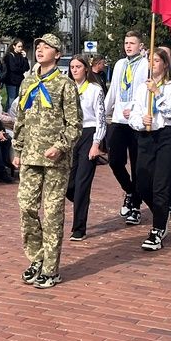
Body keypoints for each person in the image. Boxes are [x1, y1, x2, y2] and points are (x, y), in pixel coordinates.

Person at [14, 34, 80, 289]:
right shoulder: (28, 82)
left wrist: (60, 147)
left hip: (55, 160)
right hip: (31, 156)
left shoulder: (65, 85)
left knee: (52, 212)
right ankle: (36, 258)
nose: (40, 50)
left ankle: (51, 268)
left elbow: (75, 124)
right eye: (38, 47)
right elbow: (21, 118)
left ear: (57, 53)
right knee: (26, 207)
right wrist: (17, 149)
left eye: (46, 47)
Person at [128, 47, 171, 251]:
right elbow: (133, 115)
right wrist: (141, 122)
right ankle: (161, 211)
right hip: (146, 137)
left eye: (157, 60)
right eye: (150, 60)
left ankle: (158, 229)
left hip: (166, 137)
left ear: (165, 64)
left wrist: (157, 93)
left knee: (160, 185)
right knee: (142, 184)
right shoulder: (142, 88)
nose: (152, 64)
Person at [104, 31, 148, 225]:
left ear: (141, 46)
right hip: (119, 119)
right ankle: (129, 190)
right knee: (115, 160)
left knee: (138, 165)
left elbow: (146, 91)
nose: (128, 46)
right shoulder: (120, 64)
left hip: (135, 121)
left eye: (132, 43)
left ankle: (136, 206)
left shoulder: (146, 65)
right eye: (126, 43)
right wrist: (104, 111)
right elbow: (114, 90)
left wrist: (138, 109)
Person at [64, 54, 106, 242]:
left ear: (86, 69)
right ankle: (82, 200)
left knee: (82, 183)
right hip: (71, 136)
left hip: (89, 134)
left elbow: (100, 119)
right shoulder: (67, 88)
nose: (74, 70)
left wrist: (96, 143)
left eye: (78, 67)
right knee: (69, 184)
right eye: (72, 67)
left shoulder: (94, 89)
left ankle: (79, 227)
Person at [2, 38, 29, 107]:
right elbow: (13, 68)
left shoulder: (21, 56)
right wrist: (21, 69)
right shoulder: (9, 56)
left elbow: (27, 68)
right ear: (14, 46)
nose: (20, 48)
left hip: (19, 81)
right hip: (11, 81)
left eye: (21, 47)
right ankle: (8, 112)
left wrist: (25, 58)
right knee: (11, 100)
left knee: (17, 100)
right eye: (19, 46)